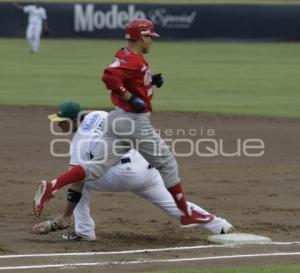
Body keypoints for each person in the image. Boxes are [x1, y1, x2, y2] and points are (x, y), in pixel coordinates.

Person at [33, 19, 218, 228]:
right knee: (167, 163)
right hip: (134, 121)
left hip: (117, 119)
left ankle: (53, 185)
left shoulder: (124, 53)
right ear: (141, 37)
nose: (151, 41)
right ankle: (185, 213)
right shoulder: (136, 61)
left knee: (95, 166)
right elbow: (109, 76)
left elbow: (121, 75)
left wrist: (147, 82)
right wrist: (129, 97)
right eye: (150, 37)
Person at [32, 101, 234, 241]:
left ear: (72, 121)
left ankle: (83, 231)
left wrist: (65, 215)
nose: (57, 125)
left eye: (61, 122)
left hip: (122, 175)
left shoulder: (79, 143)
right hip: (145, 166)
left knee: (80, 179)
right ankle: (220, 226)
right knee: (173, 204)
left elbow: (77, 179)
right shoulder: (99, 114)